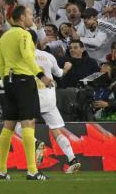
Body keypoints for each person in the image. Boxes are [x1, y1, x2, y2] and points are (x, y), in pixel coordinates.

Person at [0, 5, 52, 181]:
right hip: (24, 81)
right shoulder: (24, 35)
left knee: (8, 125)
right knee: (28, 123)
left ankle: (2, 171)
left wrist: (6, 80)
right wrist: (41, 75)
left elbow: (0, 64)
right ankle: (32, 171)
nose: (31, 17)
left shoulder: (4, 37)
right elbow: (28, 57)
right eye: (29, 14)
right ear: (21, 18)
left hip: (9, 82)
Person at [14, 31, 81, 174]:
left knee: (19, 126)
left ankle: (36, 143)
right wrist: (66, 68)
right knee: (56, 131)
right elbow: (60, 74)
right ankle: (72, 159)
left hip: (32, 97)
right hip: (49, 98)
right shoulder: (48, 56)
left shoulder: (22, 57)